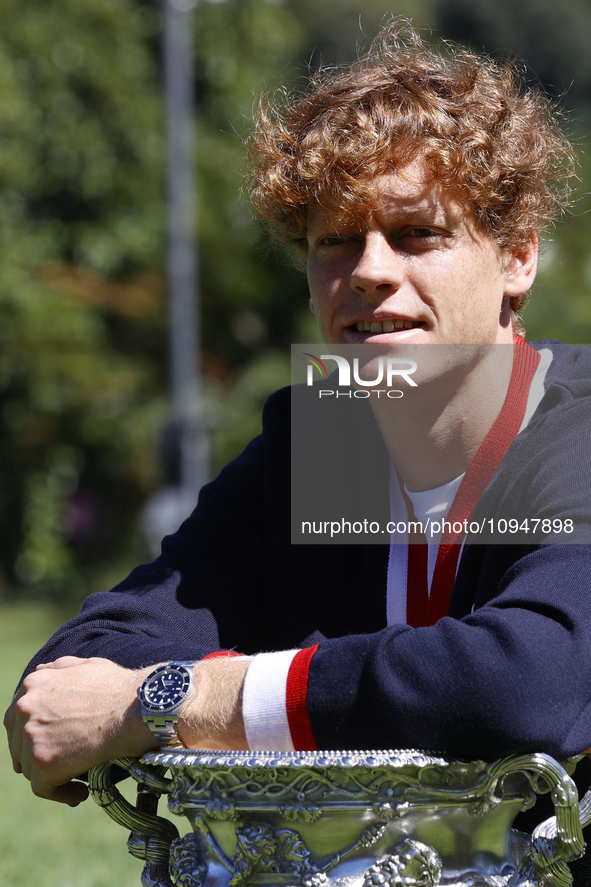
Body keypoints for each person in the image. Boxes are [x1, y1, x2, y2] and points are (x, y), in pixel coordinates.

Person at [5, 21, 591, 877]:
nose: (368, 269)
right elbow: (80, 664)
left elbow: (520, 682)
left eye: (416, 233)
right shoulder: (328, 440)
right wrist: (143, 691)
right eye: (335, 240)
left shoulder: (573, 429)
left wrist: (173, 699)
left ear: (516, 257)